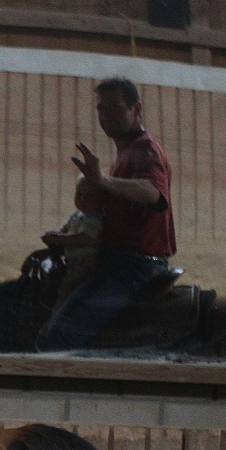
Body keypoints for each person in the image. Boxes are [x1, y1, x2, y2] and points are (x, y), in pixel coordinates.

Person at [37, 76, 176, 351]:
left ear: (136, 109)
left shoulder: (145, 151)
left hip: (134, 266)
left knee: (60, 336)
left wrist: (101, 180)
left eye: (114, 107)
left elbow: (152, 193)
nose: (105, 115)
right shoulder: (126, 153)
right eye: (100, 108)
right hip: (121, 261)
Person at [39, 176, 105, 305]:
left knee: (67, 287)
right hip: (72, 262)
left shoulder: (94, 219)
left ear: (102, 200)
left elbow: (83, 238)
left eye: (89, 196)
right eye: (79, 194)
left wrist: (59, 238)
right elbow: (67, 227)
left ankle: (60, 313)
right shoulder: (77, 215)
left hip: (85, 265)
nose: (82, 199)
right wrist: (58, 232)